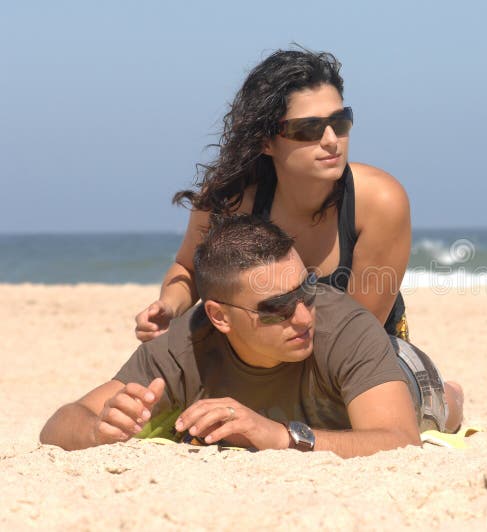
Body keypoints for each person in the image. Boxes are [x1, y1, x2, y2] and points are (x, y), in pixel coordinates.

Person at [41, 216, 463, 457]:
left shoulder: (341, 324)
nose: (302, 316)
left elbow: (398, 440)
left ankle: (452, 395)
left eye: (306, 289)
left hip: (407, 376)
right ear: (219, 317)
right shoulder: (184, 344)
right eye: (276, 306)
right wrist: (99, 430)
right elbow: (62, 422)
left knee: (436, 409)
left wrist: (279, 435)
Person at [135, 48, 412, 342]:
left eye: (340, 122)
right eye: (309, 129)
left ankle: (446, 391)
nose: (332, 140)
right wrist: (169, 306)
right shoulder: (232, 200)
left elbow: (360, 335)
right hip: (263, 357)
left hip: (361, 361)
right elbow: (190, 269)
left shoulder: (378, 202)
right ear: (266, 142)